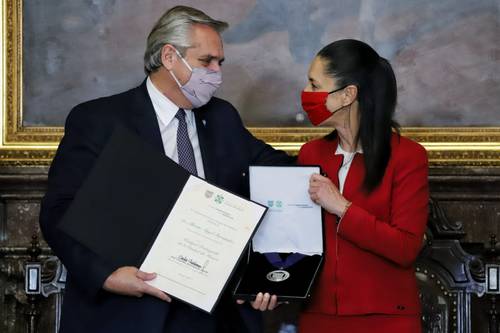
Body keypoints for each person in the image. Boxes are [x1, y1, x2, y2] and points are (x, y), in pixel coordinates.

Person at [39, 6, 290, 333]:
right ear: (169, 56)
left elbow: (279, 171)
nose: (217, 72)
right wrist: (107, 275)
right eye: (206, 62)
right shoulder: (100, 120)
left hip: (211, 315)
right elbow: (58, 211)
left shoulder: (222, 117)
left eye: (219, 62)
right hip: (128, 310)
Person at [297, 39, 429, 332]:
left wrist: (342, 207)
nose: (306, 94)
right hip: (318, 318)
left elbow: (406, 247)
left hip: (385, 319)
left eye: (314, 85)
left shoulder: (408, 156)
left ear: (348, 95)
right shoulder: (311, 154)